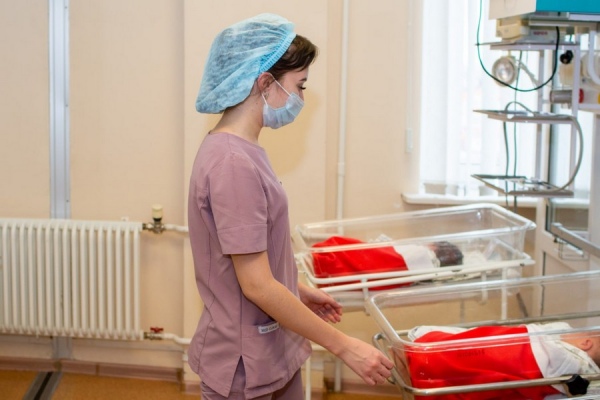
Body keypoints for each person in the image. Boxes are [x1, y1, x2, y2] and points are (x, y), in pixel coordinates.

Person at [187, 13, 393, 400]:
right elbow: (256, 284)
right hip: (244, 359)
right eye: (299, 86)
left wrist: (295, 289)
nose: (301, 98)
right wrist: (345, 346)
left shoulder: (243, 151)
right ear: (265, 82)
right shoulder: (232, 163)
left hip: (271, 345)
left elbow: (249, 260)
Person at [402, 323, 600, 399]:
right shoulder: (571, 376)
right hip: (503, 356)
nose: (567, 330)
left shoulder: (558, 353)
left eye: (580, 331)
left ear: (585, 343)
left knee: (464, 358)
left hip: (512, 354)